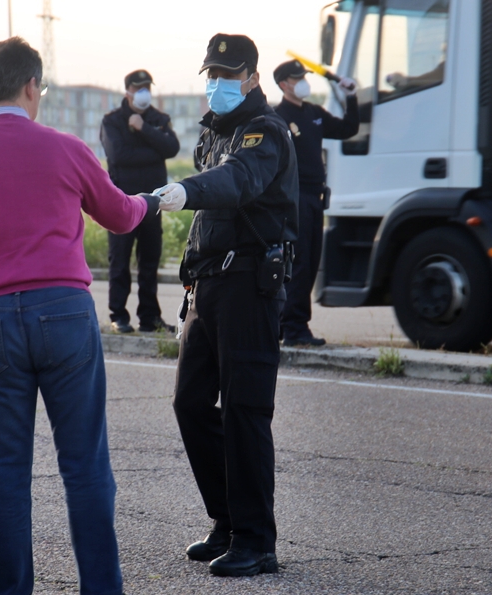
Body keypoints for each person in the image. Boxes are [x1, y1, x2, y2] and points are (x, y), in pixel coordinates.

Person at [0, 37, 158, 595]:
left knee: (2, 473)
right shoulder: (65, 149)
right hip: (65, 315)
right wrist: (151, 202)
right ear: (30, 86)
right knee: (85, 468)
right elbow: (120, 215)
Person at [153, 33, 298, 577]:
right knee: (191, 405)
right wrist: (189, 277)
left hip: (250, 286)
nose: (217, 83)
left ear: (253, 78)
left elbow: (237, 182)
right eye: (211, 73)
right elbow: (208, 221)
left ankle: (257, 540)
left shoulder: (266, 133)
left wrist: (186, 190)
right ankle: (228, 522)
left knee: (244, 412)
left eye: (228, 74)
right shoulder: (214, 132)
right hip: (209, 286)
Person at [272, 59, 360, 347]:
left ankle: (290, 324)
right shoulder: (277, 117)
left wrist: (351, 96)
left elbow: (348, 128)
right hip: (293, 198)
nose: (303, 82)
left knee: (309, 264)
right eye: (297, 78)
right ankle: (294, 328)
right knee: (297, 264)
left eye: (304, 77)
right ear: (284, 84)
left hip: (315, 198)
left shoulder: (313, 113)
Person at [100, 69, 181, 333]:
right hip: (122, 201)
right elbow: (119, 155)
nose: (144, 91)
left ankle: (149, 317)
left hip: (153, 202)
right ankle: (118, 316)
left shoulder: (157, 119)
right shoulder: (112, 121)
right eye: (138, 87)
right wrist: (153, 151)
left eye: (147, 86)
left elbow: (172, 148)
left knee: (150, 261)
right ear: (127, 91)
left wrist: (143, 128)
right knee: (120, 260)